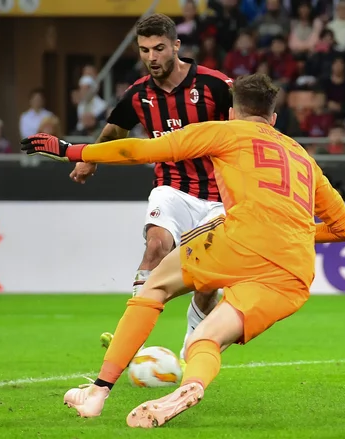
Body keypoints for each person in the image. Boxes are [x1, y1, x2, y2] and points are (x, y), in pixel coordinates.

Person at [21, 73, 345, 428]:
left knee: (155, 287)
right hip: (293, 271)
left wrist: (71, 150)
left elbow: (140, 149)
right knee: (204, 339)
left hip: (240, 242)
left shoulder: (223, 130)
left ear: (231, 113)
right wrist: (293, 232)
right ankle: (192, 385)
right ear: (273, 119)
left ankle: (97, 393)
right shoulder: (303, 157)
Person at [69, 13, 233, 362]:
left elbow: (249, 126)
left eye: (159, 48)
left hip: (220, 195)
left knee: (207, 283)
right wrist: (91, 158)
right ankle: (132, 340)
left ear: (176, 45)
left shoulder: (215, 86)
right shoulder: (138, 94)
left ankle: (193, 338)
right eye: (144, 50)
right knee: (155, 246)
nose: (152, 57)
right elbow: (116, 130)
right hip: (171, 187)